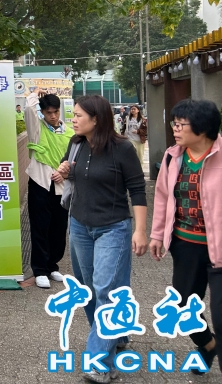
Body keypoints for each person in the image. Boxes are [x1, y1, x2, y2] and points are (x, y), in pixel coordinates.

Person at [56, 95, 147, 384]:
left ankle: (100, 363)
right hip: (79, 225)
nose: (73, 119)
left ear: (96, 119)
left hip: (113, 228)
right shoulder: (76, 143)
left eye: (78, 115)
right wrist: (63, 170)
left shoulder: (122, 148)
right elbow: (69, 170)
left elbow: (138, 189)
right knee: (87, 289)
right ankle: (115, 334)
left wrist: (140, 230)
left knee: (106, 289)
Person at [150, 99, 222, 375]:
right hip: (186, 245)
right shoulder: (173, 157)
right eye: (174, 123)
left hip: (219, 249)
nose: (175, 129)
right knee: (183, 308)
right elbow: (162, 197)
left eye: (181, 124)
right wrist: (157, 235)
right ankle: (208, 345)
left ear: (202, 128)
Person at [24, 88, 73, 289]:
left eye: (55, 112)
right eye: (48, 112)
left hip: (62, 186)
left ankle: (52, 266)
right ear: (42, 113)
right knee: (40, 227)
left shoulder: (70, 133)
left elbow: (76, 160)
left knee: (59, 228)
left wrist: (65, 174)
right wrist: (35, 93)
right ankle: (40, 270)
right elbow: (29, 109)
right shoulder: (37, 129)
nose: (53, 116)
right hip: (40, 184)